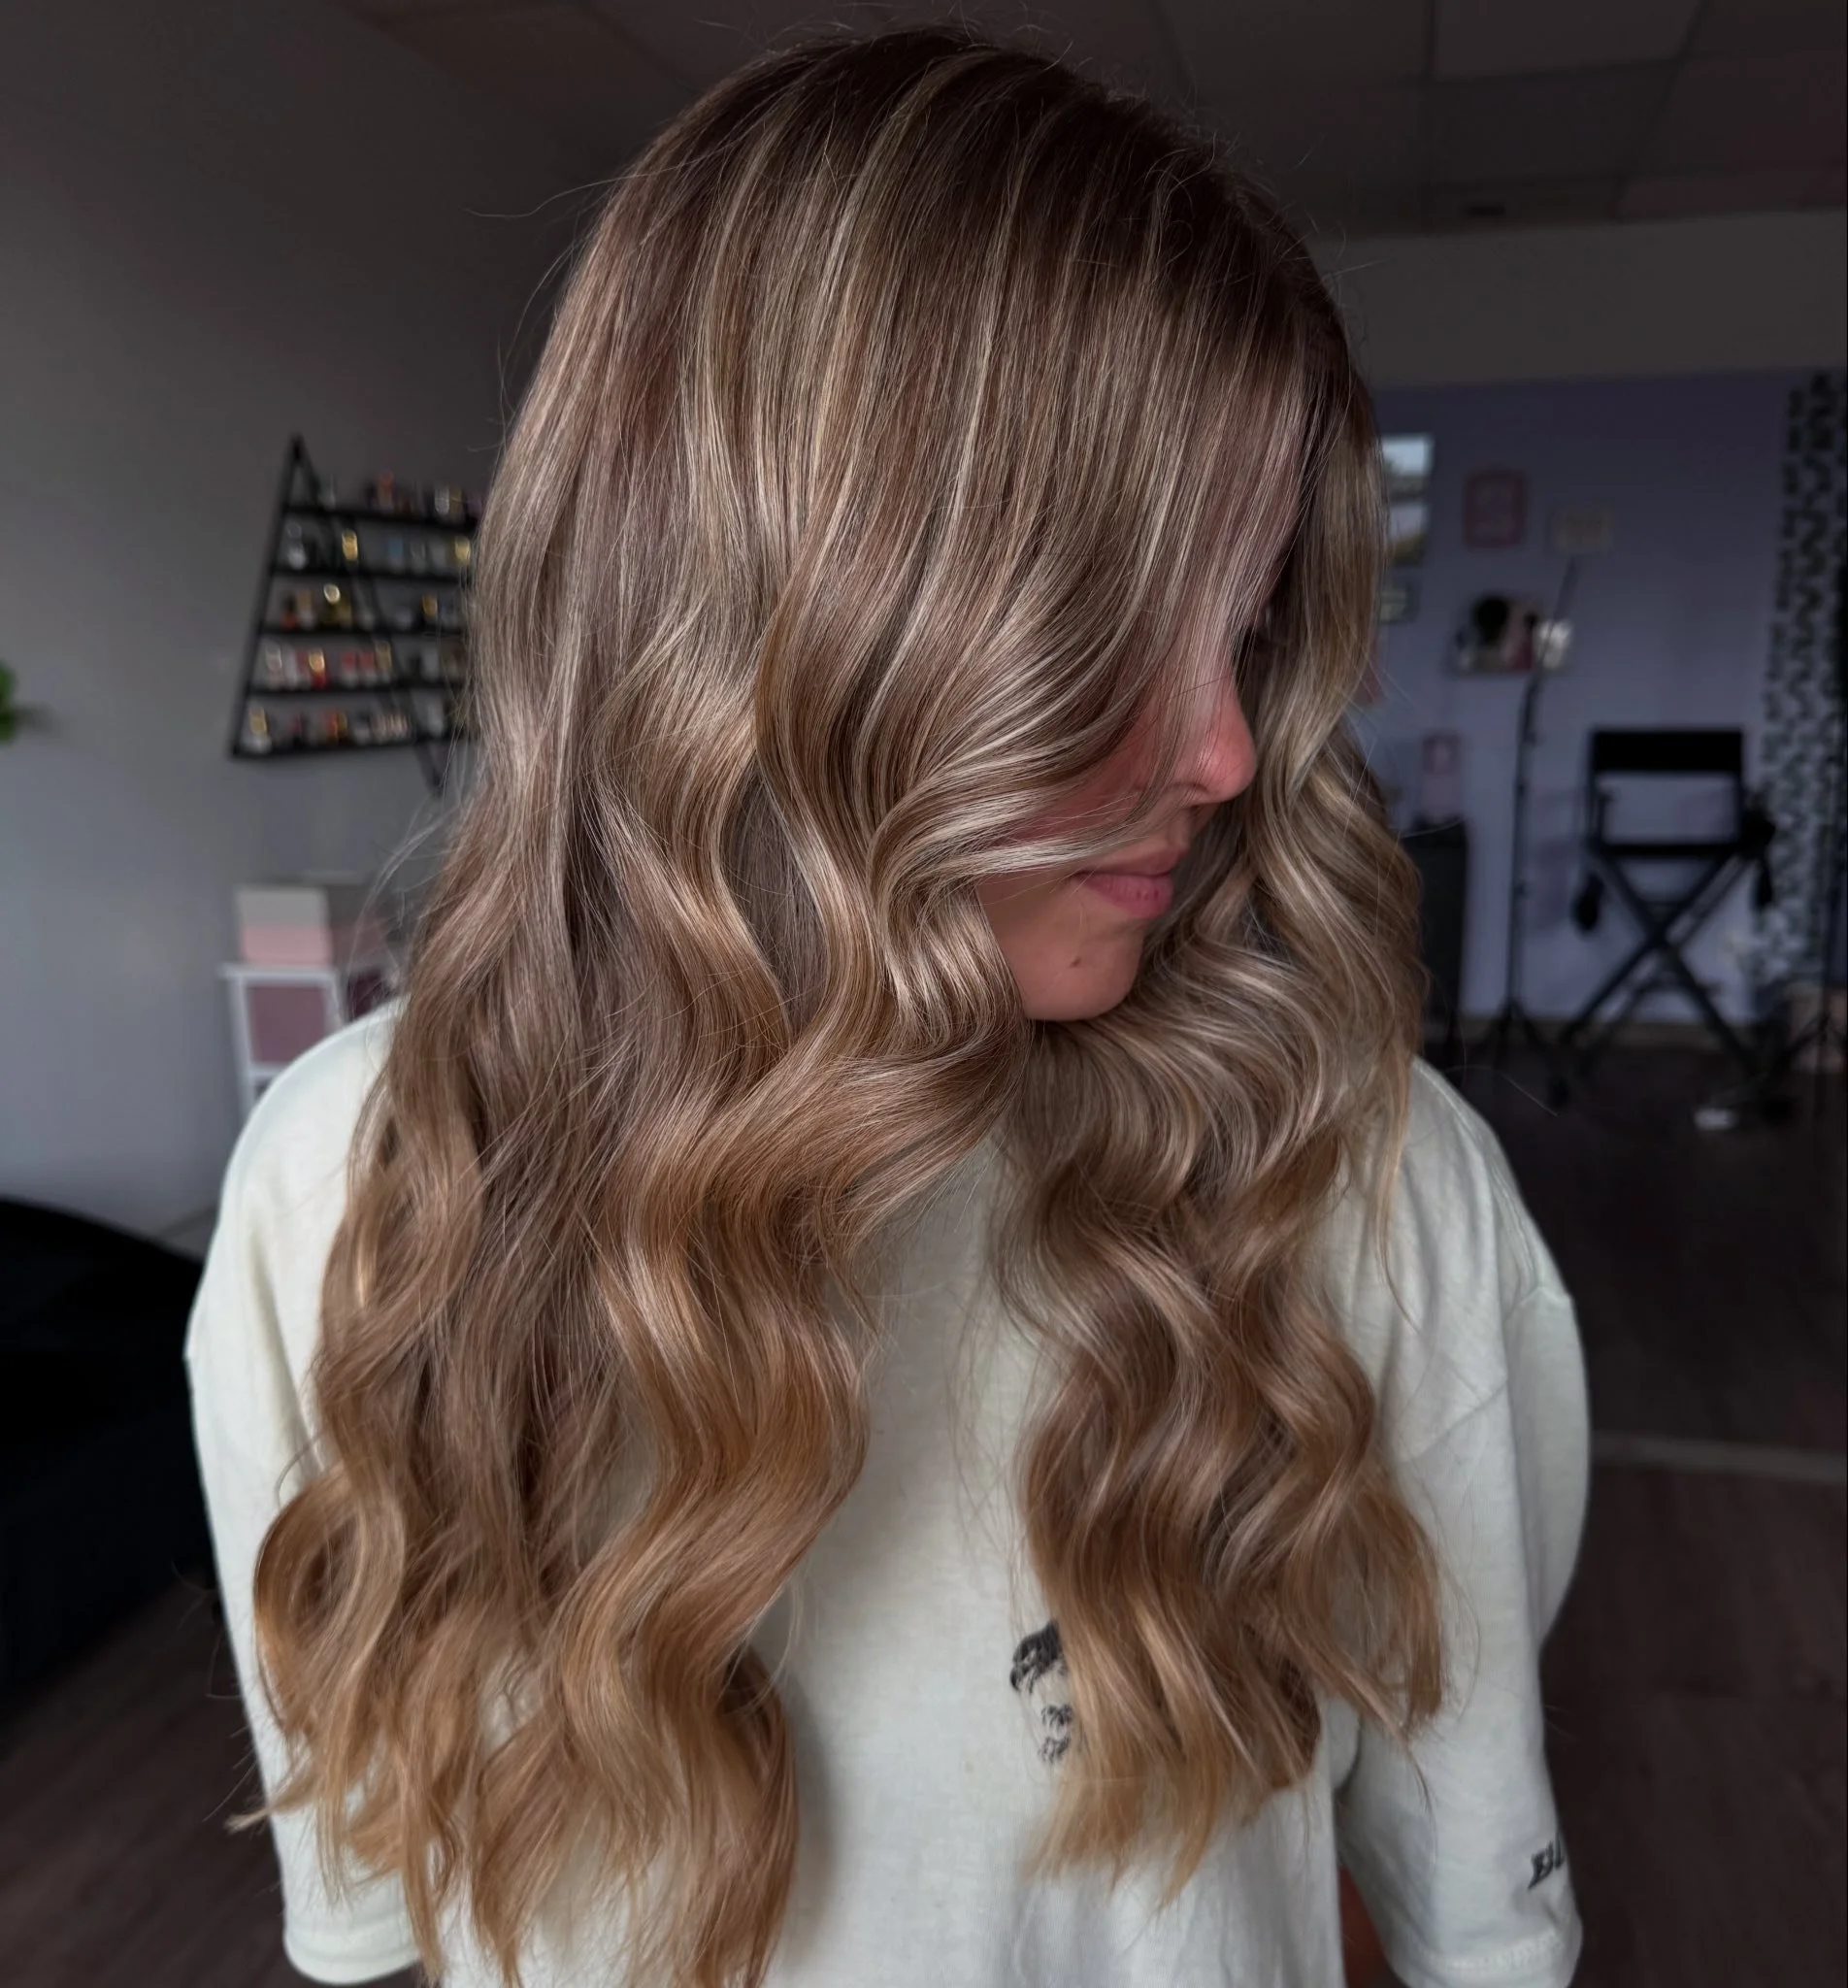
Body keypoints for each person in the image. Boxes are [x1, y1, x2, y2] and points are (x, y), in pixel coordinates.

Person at [185, 29, 1589, 1988]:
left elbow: (1474, 1918)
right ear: (776, 605)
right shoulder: (353, 1191)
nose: (1218, 747)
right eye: (1099, 630)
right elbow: (386, 1929)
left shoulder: (1346, 1187)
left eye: (1251, 614)